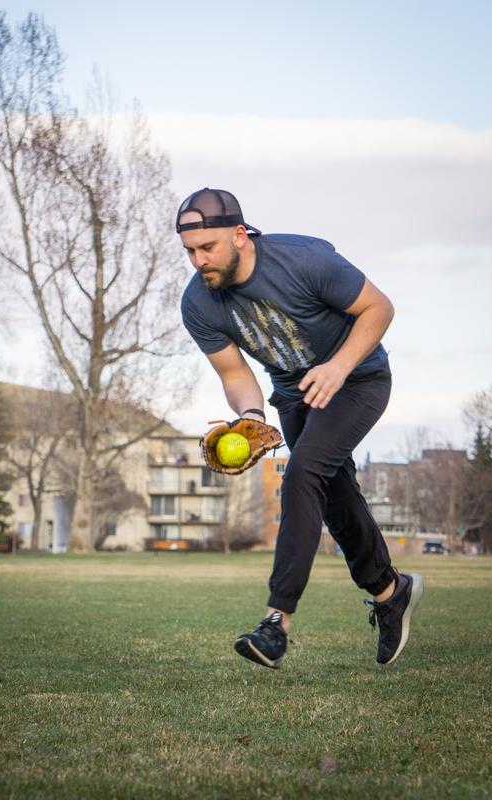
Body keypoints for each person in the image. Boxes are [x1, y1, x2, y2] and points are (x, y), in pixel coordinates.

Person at [178, 187, 423, 668]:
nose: (197, 260)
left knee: (303, 472)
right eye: (189, 251)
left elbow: (380, 308)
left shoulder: (304, 260)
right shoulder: (199, 304)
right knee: (334, 494)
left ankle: (276, 623)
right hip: (294, 393)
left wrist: (338, 367)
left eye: (207, 248)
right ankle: (391, 591)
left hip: (357, 379)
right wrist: (250, 417)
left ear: (240, 235)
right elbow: (235, 374)